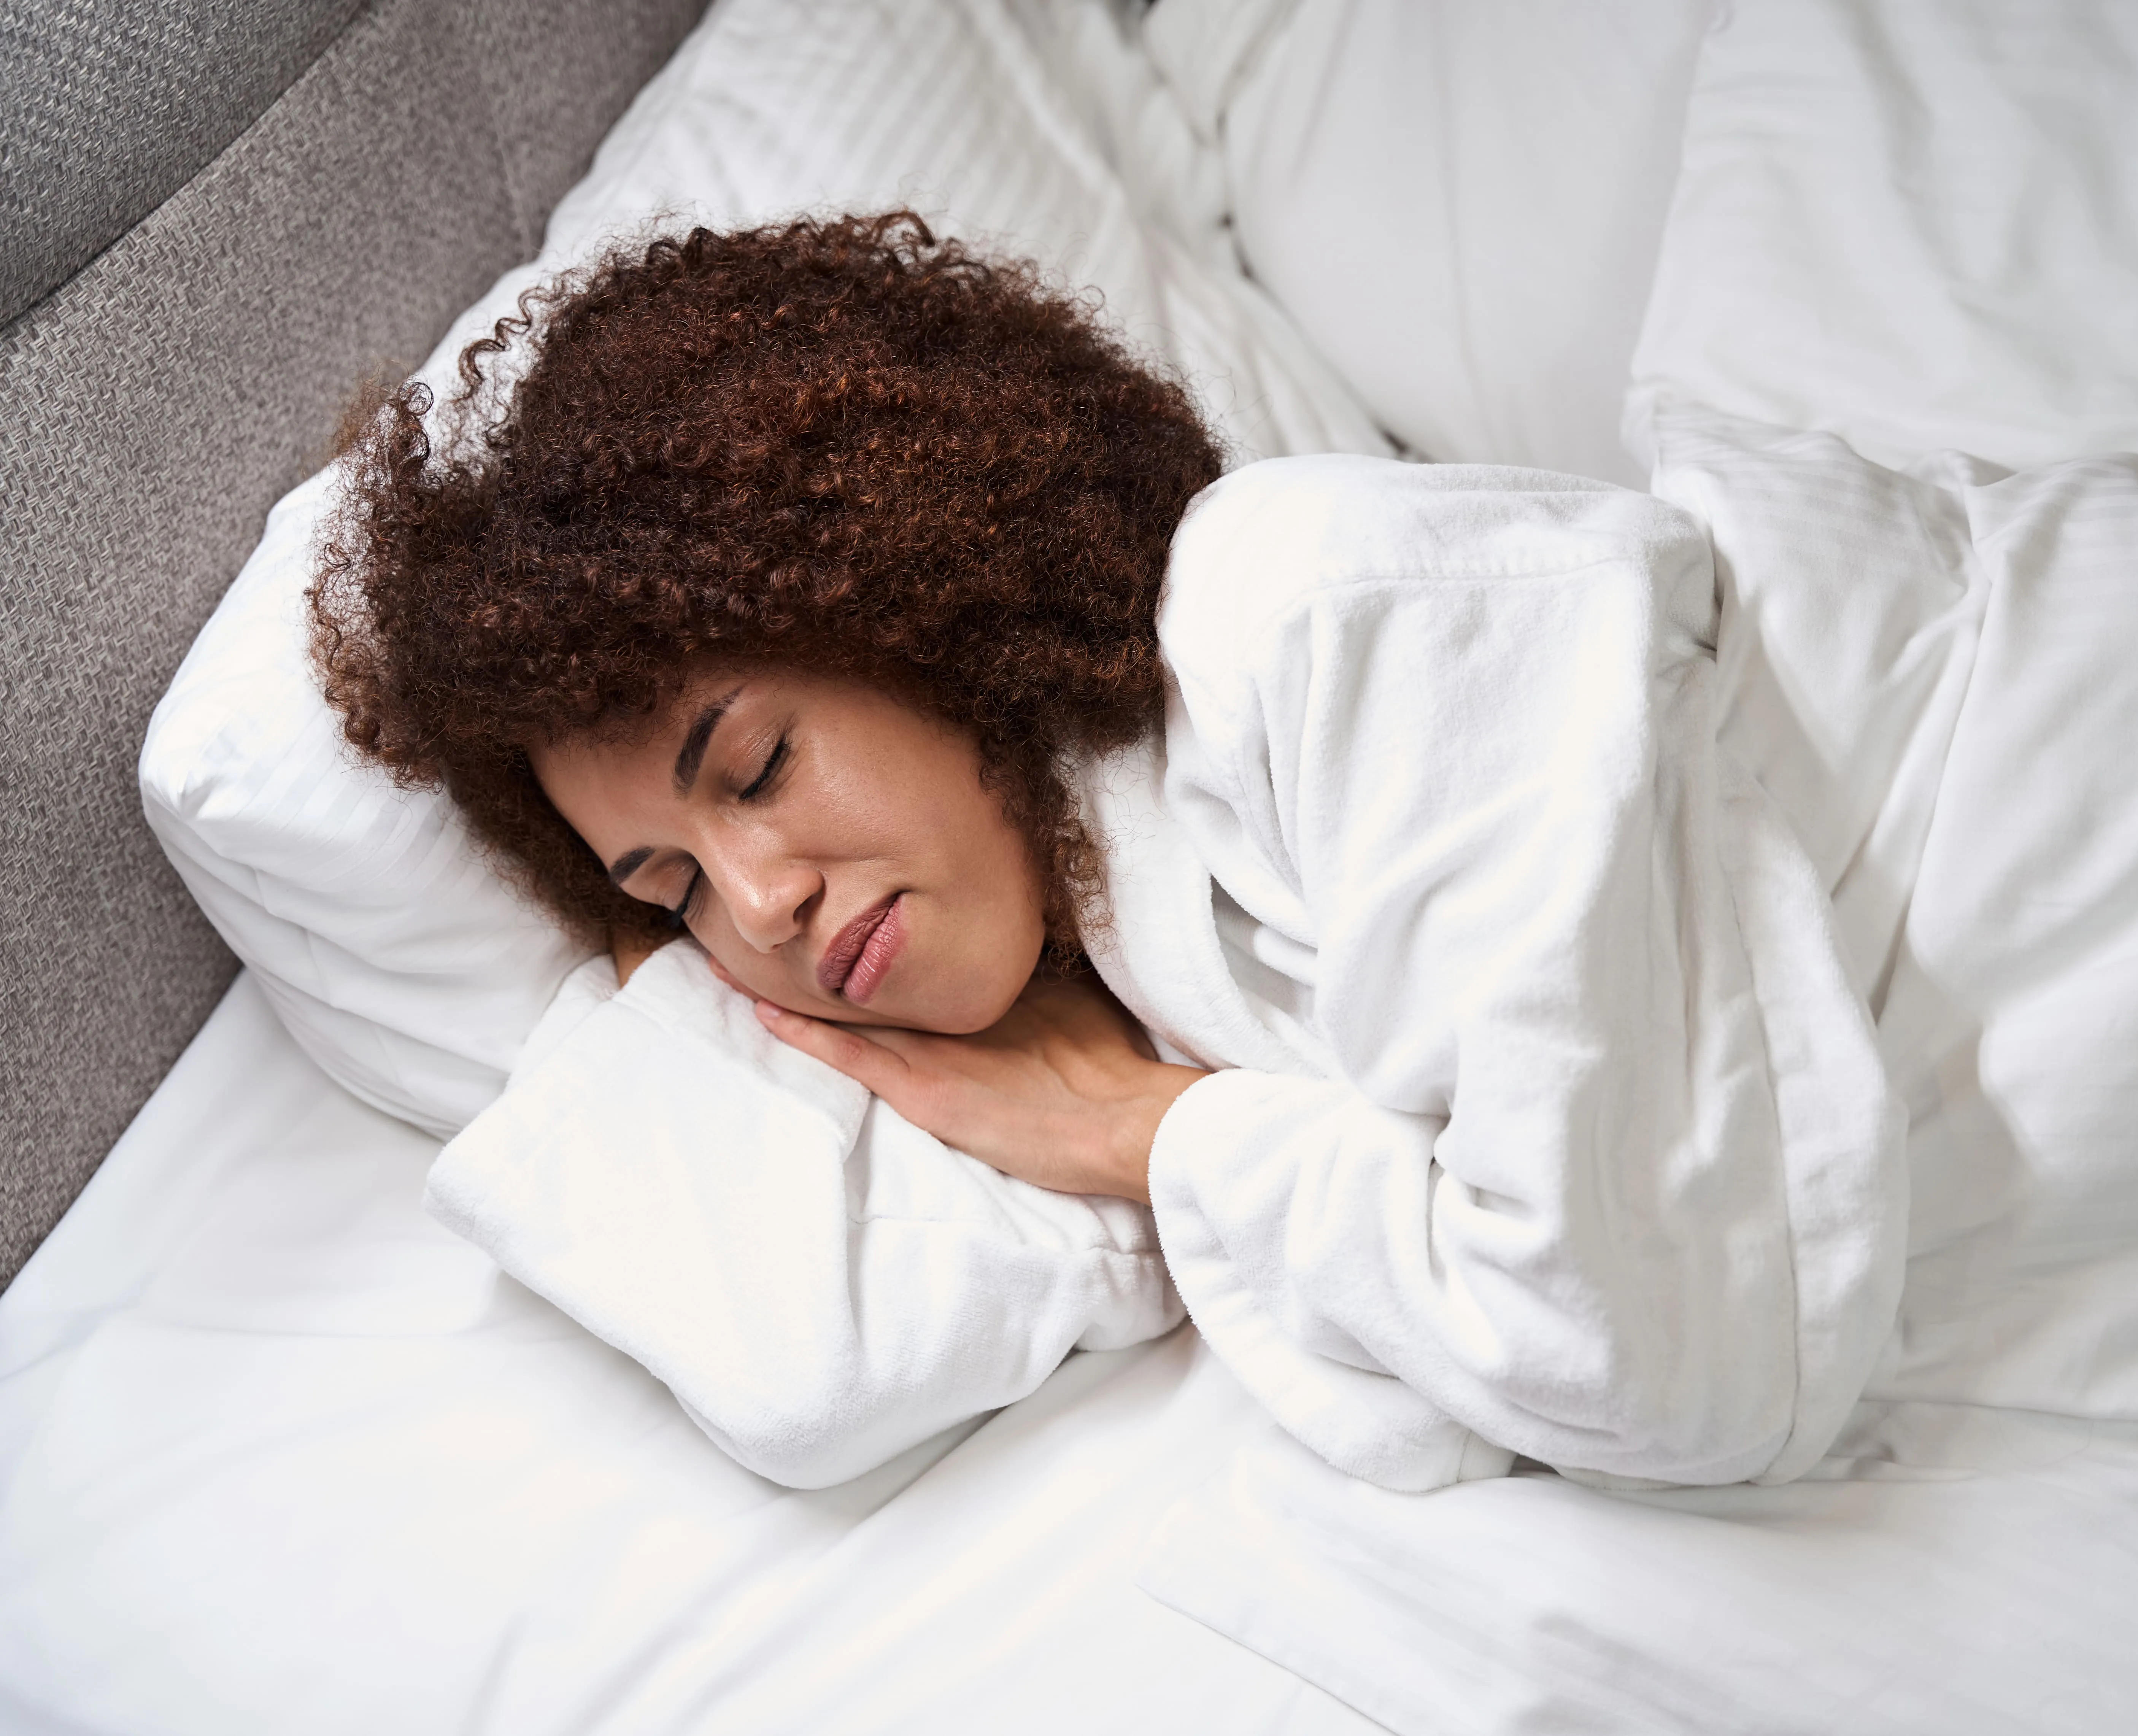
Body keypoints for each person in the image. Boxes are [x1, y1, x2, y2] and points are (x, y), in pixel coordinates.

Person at [314, 211, 1905, 1493]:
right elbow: (812, 1380)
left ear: (911, 604)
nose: (756, 901)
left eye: (756, 764)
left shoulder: (1310, 618)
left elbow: (1666, 1360)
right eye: (664, 883)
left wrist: (1158, 1135)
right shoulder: (1089, 962)